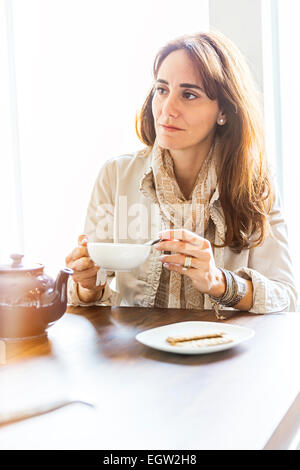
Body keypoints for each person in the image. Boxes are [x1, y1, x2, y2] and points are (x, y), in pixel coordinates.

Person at [66, 31, 297, 315]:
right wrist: (87, 285)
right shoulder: (115, 176)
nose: (167, 109)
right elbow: (86, 291)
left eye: (188, 95)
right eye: (162, 90)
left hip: (222, 352)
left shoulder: (255, 185)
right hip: (138, 352)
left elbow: (286, 298)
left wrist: (218, 282)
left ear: (223, 111)